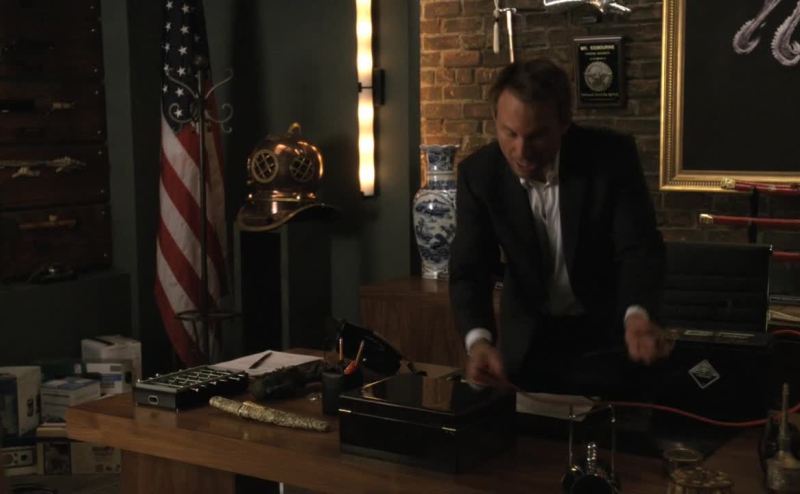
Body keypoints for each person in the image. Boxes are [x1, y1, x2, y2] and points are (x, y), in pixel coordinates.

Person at [449, 58, 671, 395]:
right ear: (495, 119)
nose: (521, 151)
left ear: (564, 122)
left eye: (536, 136)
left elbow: (638, 249)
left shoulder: (611, 157)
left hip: (608, 340)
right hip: (527, 346)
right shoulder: (478, 175)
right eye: (510, 133)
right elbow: (469, 270)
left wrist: (638, 316)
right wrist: (478, 342)